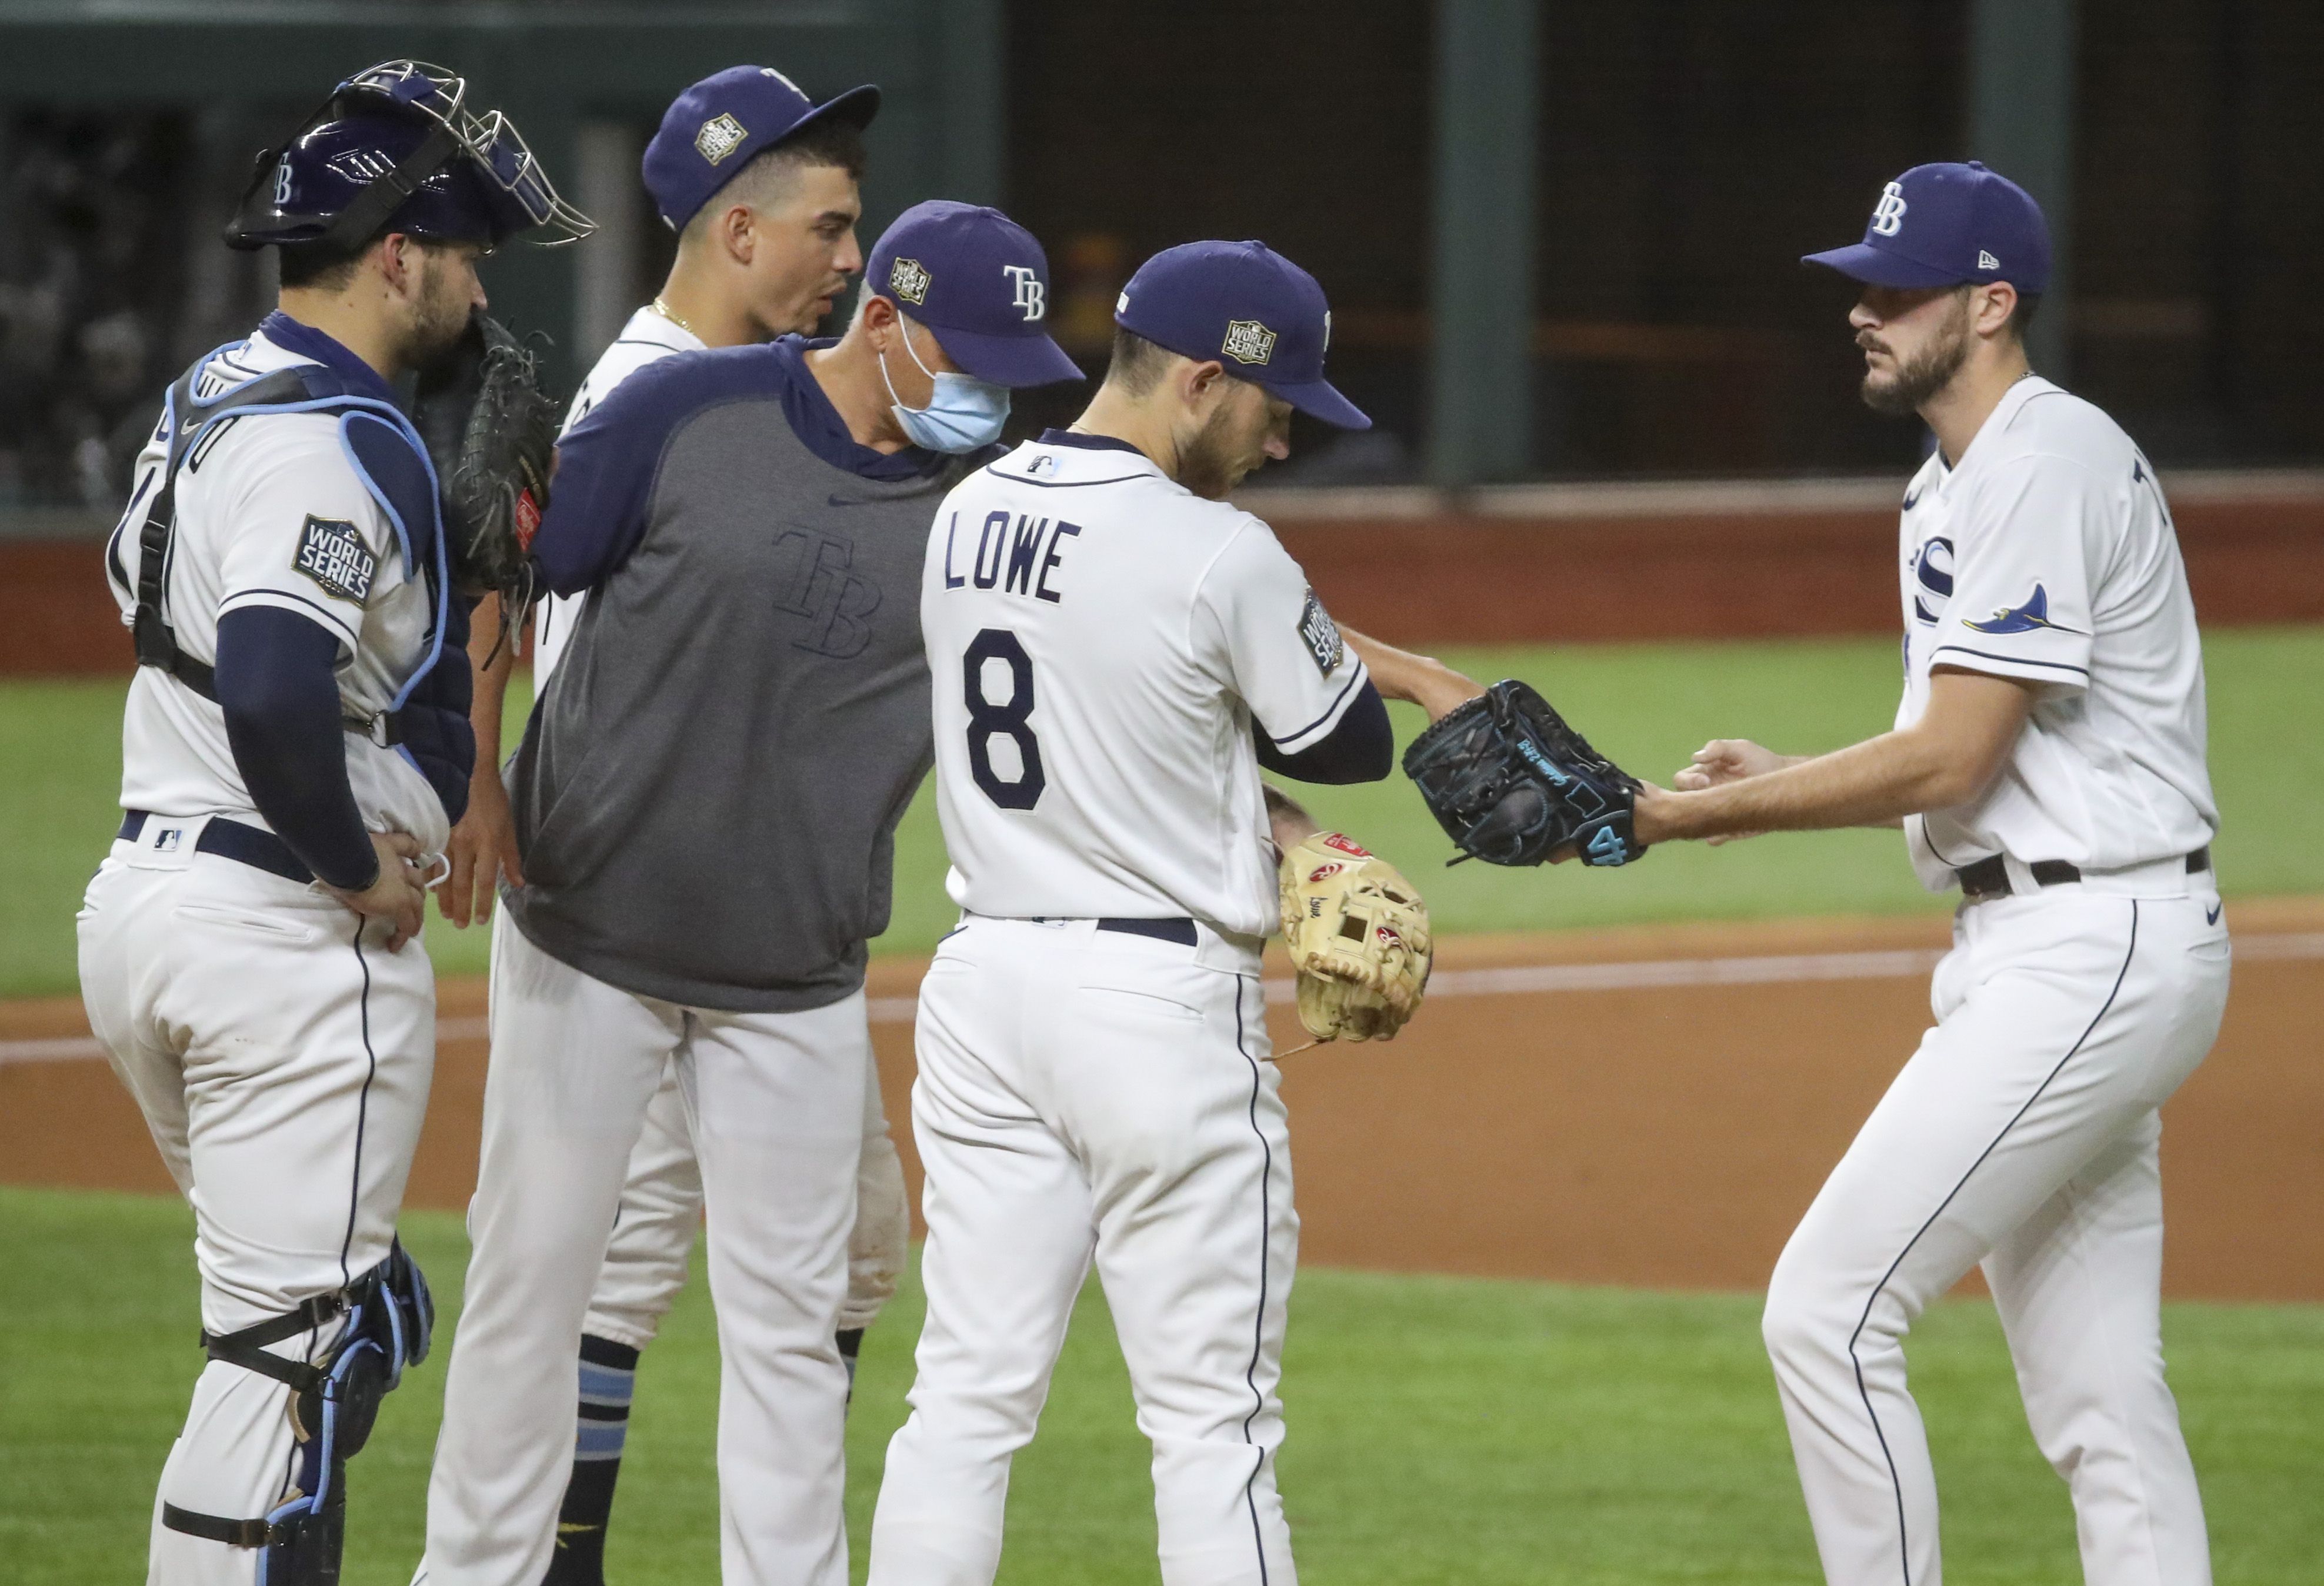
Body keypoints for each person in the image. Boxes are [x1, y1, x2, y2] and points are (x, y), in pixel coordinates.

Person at [414, 193, 1084, 1586]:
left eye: (1012, 379)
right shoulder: (684, 409)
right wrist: (477, 776)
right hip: (588, 925)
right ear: (882, 318)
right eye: (969, 364)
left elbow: (1150, 628)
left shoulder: (986, 510)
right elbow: (506, 568)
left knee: (786, 1326)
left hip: (792, 969)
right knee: (530, 1287)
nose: (991, 403)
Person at [1629, 162, 2229, 1586]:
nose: (1862, 311)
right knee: (2098, 1395)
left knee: (1824, 1312)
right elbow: (1957, 740)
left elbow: (1953, 759)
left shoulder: (2037, 459)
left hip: (2092, 946)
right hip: (2067, 945)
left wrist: (1696, 817)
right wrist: (1769, 778)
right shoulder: (1949, 479)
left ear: (1991, 302)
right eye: (1861, 285)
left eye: (1896, 288)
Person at [866, 240, 1477, 1586]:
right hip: (1152, 1013)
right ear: (1205, 381)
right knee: (1211, 1428)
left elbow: (1125, 703)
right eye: (1275, 408)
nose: (1281, 440)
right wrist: (1324, 774)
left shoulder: (964, 508)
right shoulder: (1219, 549)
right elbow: (1343, 743)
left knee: (961, 1401)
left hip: (978, 997)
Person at [75, 59, 587, 1586]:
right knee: (291, 1365)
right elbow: (280, 686)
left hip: (149, 911)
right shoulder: (330, 441)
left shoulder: (213, 392)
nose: (478, 291)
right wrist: (356, 863)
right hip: (278, 937)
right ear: (397, 253)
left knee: (308, 1338)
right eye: (468, 256)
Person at [433, 66, 911, 1586]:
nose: (852, 260)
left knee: (842, 1251)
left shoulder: (784, 395)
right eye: (831, 230)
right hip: (629, 920)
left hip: (750, 923)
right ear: (739, 230)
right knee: (602, 1272)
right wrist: (489, 779)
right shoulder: (644, 401)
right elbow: (544, 632)